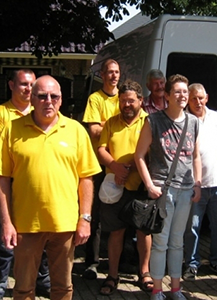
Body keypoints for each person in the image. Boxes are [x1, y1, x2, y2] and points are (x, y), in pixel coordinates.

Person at [0, 75, 101, 299]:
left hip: (65, 225)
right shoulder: (12, 130)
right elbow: (1, 179)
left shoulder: (76, 131)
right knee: (23, 289)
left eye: (54, 96)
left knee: (62, 288)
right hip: (26, 225)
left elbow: (86, 178)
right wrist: (6, 223)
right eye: (42, 96)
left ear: (60, 100)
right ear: (31, 98)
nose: (48, 101)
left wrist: (85, 218)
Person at [0, 69, 50, 300]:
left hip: (38, 188)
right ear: (11, 85)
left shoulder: (40, 111)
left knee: (41, 236)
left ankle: (43, 281)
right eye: (23, 84)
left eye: (31, 85)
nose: (28, 89)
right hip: (9, 187)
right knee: (6, 238)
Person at [134, 74, 202, 300]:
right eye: (178, 92)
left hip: (185, 189)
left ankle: (175, 288)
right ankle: (156, 289)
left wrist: (198, 183)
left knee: (177, 241)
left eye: (185, 92)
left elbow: (196, 156)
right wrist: (149, 184)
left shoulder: (193, 122)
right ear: (167, 95)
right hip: (163, 190)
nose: (183, 96)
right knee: (161, 242)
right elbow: (139, 155)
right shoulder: (153, 120)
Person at [96, 79, 153, 295]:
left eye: (130, 101)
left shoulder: (149, 122)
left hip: (140, 187)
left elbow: (154, 155)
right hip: (115, 188)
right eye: (122, 101)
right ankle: (112, 275)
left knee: (143, 231)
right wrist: (114, 166)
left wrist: (135, 170)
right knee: (116, 232)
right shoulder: (111, 122)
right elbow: (101, 149)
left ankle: (145, 273)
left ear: (141, 100)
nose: (126, 105)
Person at [182, 83, 217, 281]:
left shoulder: (216, 118)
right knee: (192, 227)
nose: (198, 102)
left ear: (207, 98)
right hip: (194, 185)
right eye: (194, 98)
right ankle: (191, 264)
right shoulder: (184, 120)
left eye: (201, 98)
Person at [81, 59, 121, 279]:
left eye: (116, 72)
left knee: (122, 214)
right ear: (102, 75)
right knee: (95, 215)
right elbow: (94, 132)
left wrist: (106, 123)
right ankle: (92, 263)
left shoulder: (125, 96)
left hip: (122, 162)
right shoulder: (95, 99)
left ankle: (121, 260)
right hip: (98, 164)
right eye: (109, 72)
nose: (113, 76)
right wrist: (117, 122)